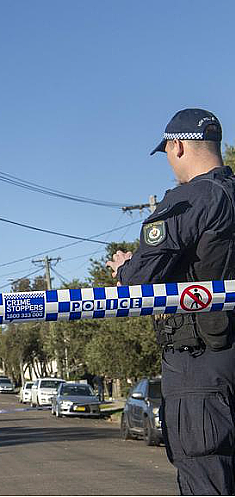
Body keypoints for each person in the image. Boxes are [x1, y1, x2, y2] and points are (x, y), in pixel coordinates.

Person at [107, 108, 234, 495]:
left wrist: (125, 267)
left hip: (199, 365)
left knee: (205, 472)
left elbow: (142, 279)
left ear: (177, 146)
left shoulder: (189, 200)